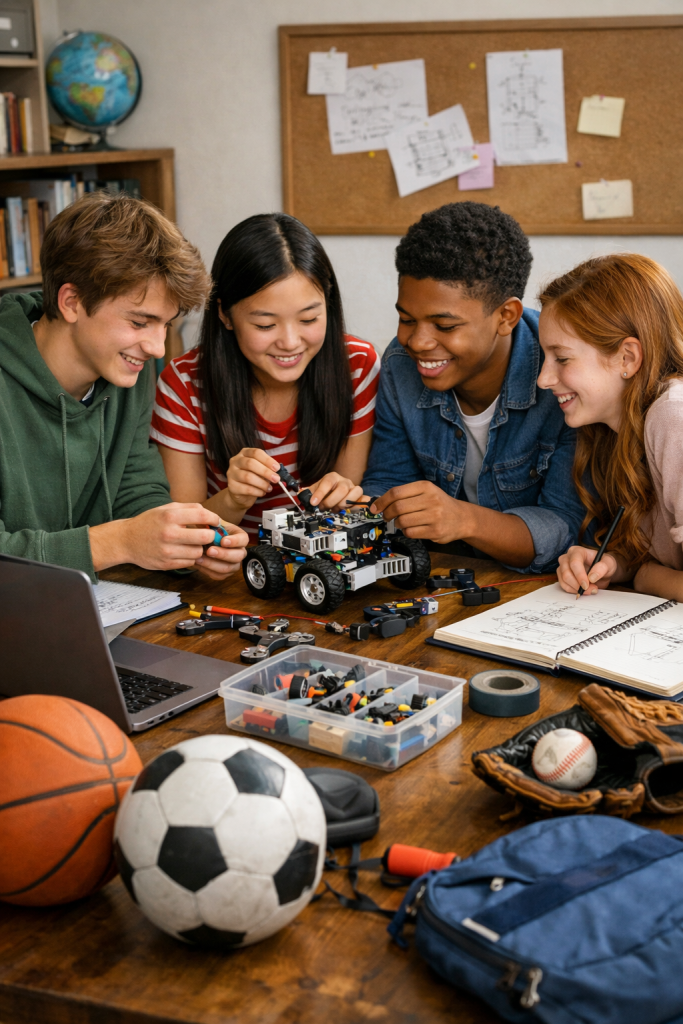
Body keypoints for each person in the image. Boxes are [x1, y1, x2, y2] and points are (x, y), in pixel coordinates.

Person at [0, 192, 248, 582]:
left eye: (165, 324)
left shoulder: (126, 367)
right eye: (139, 322)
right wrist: (120, 542)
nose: (157, 347)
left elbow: (136, 490)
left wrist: (186, 540)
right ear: (71, 302)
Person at [362, 202, 584, 572]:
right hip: (445, 577)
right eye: (406, 318)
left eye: (445, 326)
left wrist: (464, 520)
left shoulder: (563, 377)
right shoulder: (401, 365)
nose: (417, 341)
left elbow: (565, 527)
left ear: (505, 317)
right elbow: (387, 483)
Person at [151, 213, 379, 542]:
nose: (289, 342)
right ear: (225, 315)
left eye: (309, 318)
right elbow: (184, 534)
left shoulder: (356, 365)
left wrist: (347, 498)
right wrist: (234, 498)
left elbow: (349, 510)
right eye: (265, 325)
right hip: (232, 572)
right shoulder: (184, 385)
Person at [537, 253, 683, 600]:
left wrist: (645, 577)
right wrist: (615, 564)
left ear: (627, 358)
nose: (544, 379)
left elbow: (658, 572)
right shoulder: (614, 429)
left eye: (562, 358)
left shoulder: (673, 418)